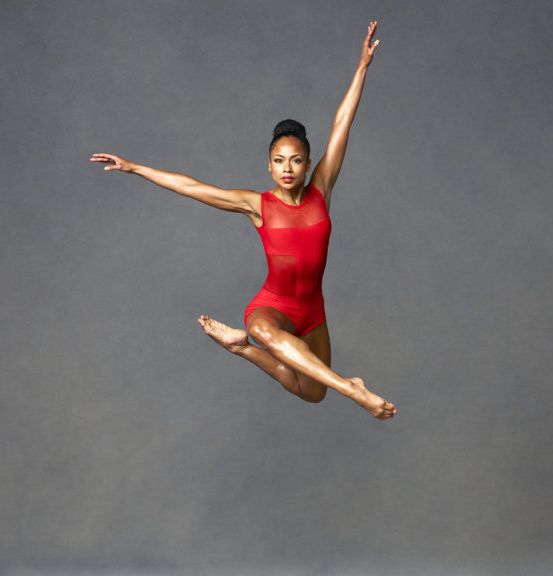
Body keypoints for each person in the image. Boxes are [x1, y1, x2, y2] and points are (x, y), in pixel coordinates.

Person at [90, 21, 397, 420]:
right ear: (269, 166)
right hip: (273, 307)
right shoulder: (257, 205)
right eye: (279, 161)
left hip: (313, 310)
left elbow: (342, 124)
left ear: (307, 164)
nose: (288, 168)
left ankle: (239, 347)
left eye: (296, 160)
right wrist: (135, 168)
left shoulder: (322, 188)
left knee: (311, 392)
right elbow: (192, 187)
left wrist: (362, 67)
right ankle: (354, 390)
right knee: (267, 333)